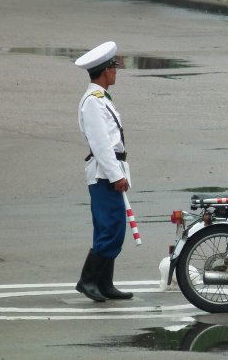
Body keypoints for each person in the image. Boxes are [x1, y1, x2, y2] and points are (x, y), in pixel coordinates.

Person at [74, 41, 134, 303]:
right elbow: (100, 144)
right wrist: (116, 176)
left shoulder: (100, 99)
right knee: (111, 228)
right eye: (113, 68)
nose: (116, 72)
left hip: (110, 170)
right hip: (104, 173)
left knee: (110, 227)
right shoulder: (93, 102)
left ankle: (104, 282)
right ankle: (87, 281)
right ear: (104, 71)